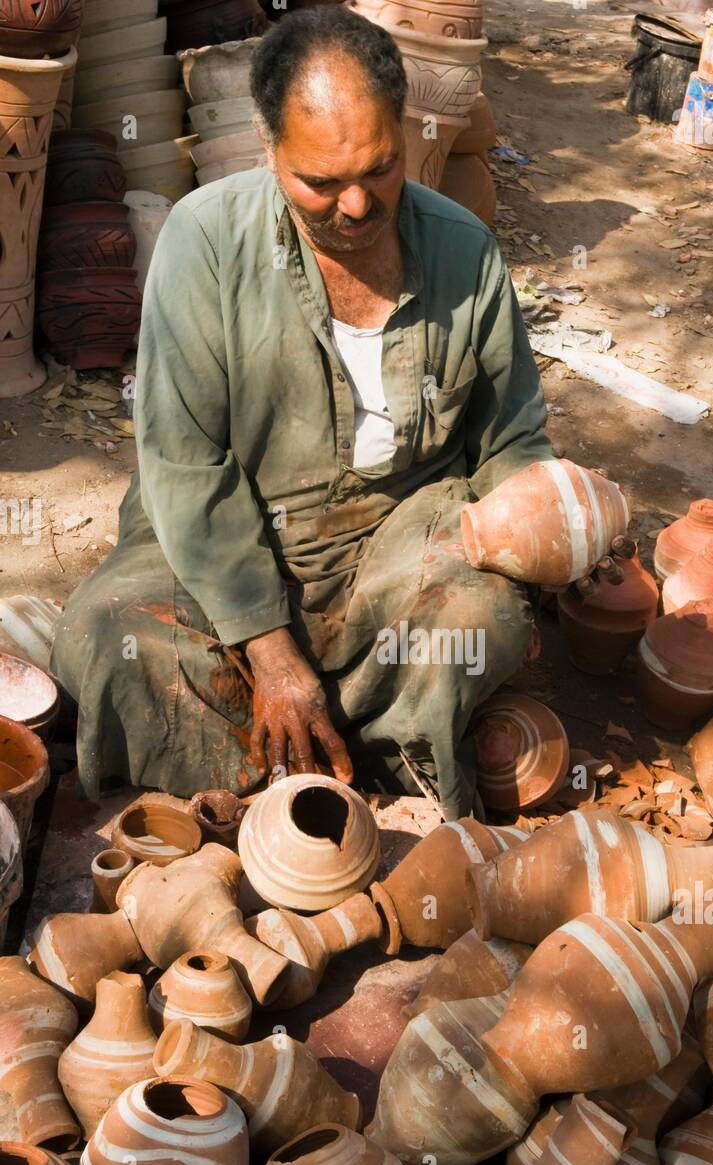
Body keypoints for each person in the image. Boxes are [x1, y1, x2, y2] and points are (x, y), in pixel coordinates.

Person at [51, 5, 553, 819]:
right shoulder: (201, 240)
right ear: (265, 144)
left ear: (403, 130)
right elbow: (183, 463)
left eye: (380, 169)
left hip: (397, 537)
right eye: (319, 181)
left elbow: (511, 440)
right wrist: (269, 646)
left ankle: (369, 765)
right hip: (225, 529)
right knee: (107, 637)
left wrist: (551, 521)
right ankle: (280, 776)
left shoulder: (464, 249)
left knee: (478, 620)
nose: (354, 206)